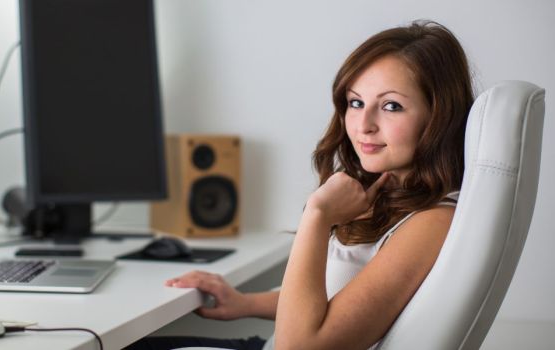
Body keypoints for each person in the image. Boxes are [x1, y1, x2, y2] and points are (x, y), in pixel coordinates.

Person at [125, 19, 474, 350]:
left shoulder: (432, 221)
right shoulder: (387, 195)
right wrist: (244, 302)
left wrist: (318, 216)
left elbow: (300, 346)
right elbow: (336, 305)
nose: (363, 124)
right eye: (355, 102)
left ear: (438, 117)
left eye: (391, 106)